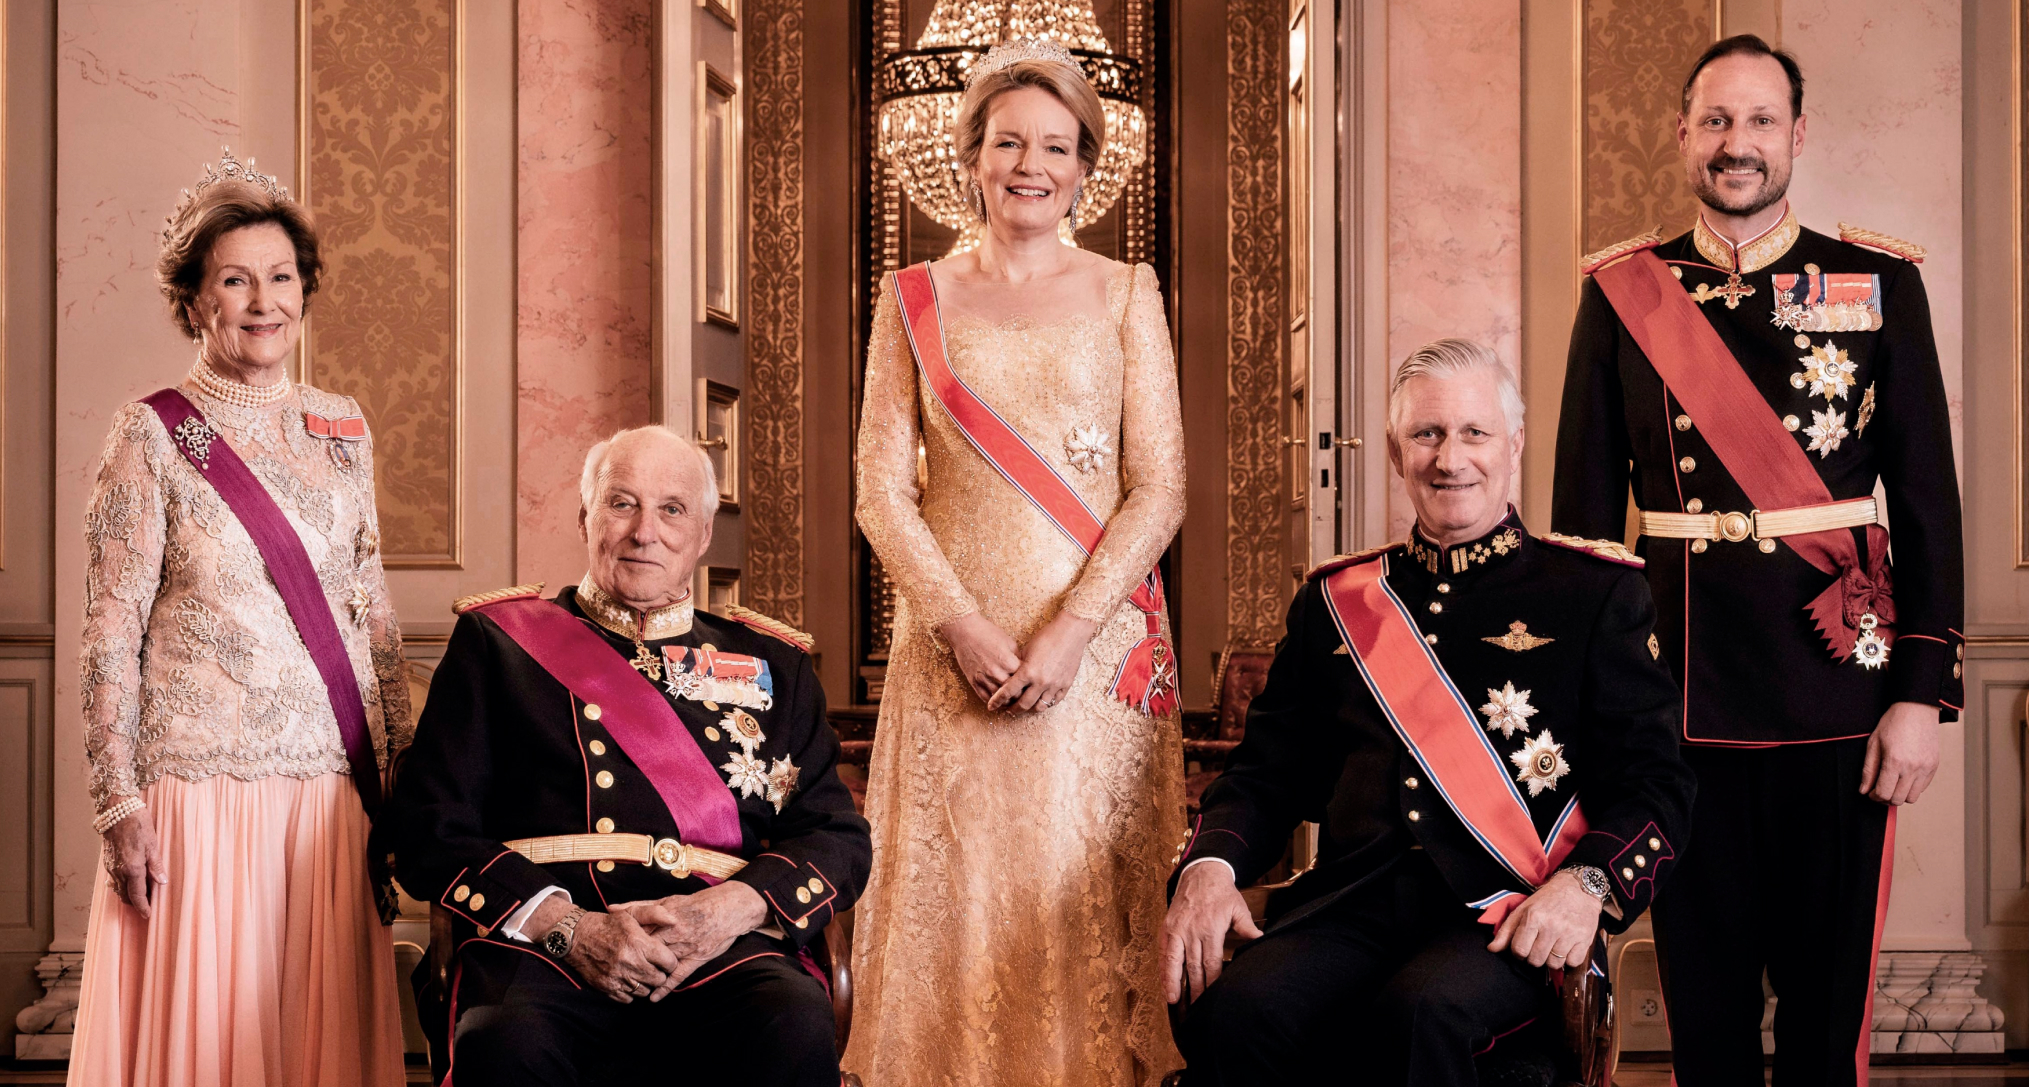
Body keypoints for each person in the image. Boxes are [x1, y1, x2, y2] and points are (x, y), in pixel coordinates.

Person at [1552, 35, 1963, 1086]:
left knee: (1827, 1024)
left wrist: (1920, 693)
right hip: (1676, 700)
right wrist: (1593, 704)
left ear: (1797, 136)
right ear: (1683, 134)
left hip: (1840, 691)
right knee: (1706, 1019)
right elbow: (1584, 526)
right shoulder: (1622, 292)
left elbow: (1926, 508)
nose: (1737, 143)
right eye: (1717, 121)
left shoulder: (1877, 283)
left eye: (1760, 121)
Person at [1165, 340, 1694, 1086]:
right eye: (1426, 434)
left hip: (1504, 915)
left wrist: (1587, 885)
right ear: (1394, 451)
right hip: (1351, 906)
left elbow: (1655, 784)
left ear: (1513, 444)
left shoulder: (1593, 593)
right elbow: (1266, 775)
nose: (1451, 459)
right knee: (1240, 1013)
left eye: (1475, 432)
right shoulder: (1334, 602)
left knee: (1421, 1015)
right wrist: (1210, 867)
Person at [845, 38, 1188, 1087]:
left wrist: (1072, 629)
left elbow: (1161, 485)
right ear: (970, 157)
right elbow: (878, 492)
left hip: (1093, 657)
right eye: (1006, 142)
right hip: (954, 655)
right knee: (962, 893)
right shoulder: (912, 296)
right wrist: (957, 624)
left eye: (1054, 146)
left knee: (1074, 892)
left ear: (1085, 168)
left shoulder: (1126, 291)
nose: (1029, 164)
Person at [382, 426, 871, 1087]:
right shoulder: (498, 645)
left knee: (791, 1023)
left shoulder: (773, 663)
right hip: (546, 949)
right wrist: (566, 927)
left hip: (721, 949)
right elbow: (430, 827)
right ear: (586, 517)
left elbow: (836, 835)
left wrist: (732, 909)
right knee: (504, 1041)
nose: (645, 532)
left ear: (703, 533)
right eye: (622, 504)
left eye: (671, 509)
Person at [68, 150, 411, 1086]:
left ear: (305, 289)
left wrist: (401, 778)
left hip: (326, 798)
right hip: (198, 798)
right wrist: (119, 804)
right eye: (235, 280)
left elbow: (373, 613)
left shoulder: (343, 427)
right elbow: (108, 636)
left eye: (282, 277)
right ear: (193, 301)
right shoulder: (151, 432)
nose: (264, 302)